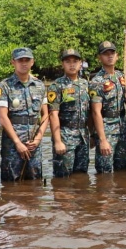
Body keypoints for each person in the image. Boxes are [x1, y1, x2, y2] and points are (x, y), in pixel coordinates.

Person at [0, 47, 49, 181]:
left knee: (35, 183)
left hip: (34, 143)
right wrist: (17, 142)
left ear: (33, 62)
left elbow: (45, 115)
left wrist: (38, 138)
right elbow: (3, 117)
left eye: (27, 60)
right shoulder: (5, 86)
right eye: (20, 60)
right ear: (13, 62)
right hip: (12, 144)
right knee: (11, 184)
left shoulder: (39, 85)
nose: (24, 63)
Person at [47, 48, 91, 177]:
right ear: (63, 64)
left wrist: (92, 134)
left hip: (83, 136)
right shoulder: (56, 86)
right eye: (68, 61)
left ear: (80, 63)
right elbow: (53, 114)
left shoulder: (85, 84)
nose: (72, 64)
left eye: (75, 61)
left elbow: (90, 112)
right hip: (65, 135)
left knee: (82, 176)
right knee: (63, 178)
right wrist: (58, 141)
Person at [90, 41, 126, 172]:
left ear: (117, 55)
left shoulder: (121, 77)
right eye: (105, 54)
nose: (110, 56)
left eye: (112, 53)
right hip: (106, 127)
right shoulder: (97, 81)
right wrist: (102, 139)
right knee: (104, 169)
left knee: (123, 167)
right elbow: (96, 112)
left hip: (122, 126)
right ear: (99, 58)